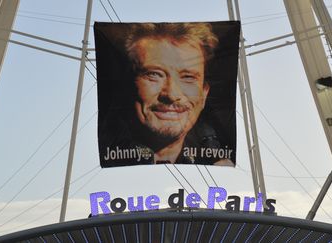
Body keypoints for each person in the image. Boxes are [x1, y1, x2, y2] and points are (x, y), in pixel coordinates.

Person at [97, 22, 236, 167]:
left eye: (188, 77)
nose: (171, 94)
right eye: (154, 74)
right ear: (127, 85)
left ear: (205, 94)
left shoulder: (222, 168)